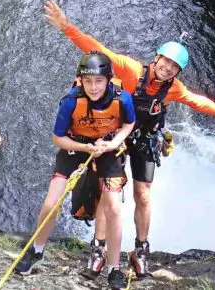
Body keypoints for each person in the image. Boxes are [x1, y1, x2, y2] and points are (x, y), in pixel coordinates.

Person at [43, 0, 215, 280]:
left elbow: (197, 102)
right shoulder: (130, 70)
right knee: (106, 191)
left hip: (145, 139)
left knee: (143, 194)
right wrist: (67, 27)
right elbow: (97, 50)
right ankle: (99, 248)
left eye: (174, 67)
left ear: (176, 72)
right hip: (117, 136)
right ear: (157, 59)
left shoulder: (173, 89)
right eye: (165, 62)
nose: (167, 69)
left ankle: (140, 250)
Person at [16, 52, 135, 289]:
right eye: (88, 81)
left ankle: (114, 267)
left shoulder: (123, 99)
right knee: (51, 203)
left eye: (99, 81)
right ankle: (37, 249)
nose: (93, 87)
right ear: (80, 80)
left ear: (108, 79)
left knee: (112, 206)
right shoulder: (71, 101)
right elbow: (58, 138)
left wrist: (112, 144)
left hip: (107, 148)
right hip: (75, 146)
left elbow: (128, 124)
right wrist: (84, 146)